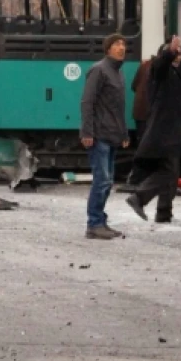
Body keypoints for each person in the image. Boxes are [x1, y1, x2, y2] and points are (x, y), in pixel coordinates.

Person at [123, 36, 181, 223]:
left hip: (173, 130)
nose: (178, 57)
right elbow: (161, 64)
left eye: (180, 54)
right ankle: (139, 197)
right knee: (169, 172)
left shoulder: (178, 74)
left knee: (170, 171)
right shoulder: (158, 71)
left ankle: (163, 212)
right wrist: (170, 52)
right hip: (163, 132)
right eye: (175, 54)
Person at [80, 34, 130, 240]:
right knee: (101, 180)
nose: (122, 48)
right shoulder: (99, 70)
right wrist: (87, 131)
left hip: (112, 134)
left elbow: (118, 108)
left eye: (123, 44)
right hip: (99, 134)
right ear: (108, 49)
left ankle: (100, 220)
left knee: (108, 181)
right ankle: (93, 223)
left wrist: (124, 133)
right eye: (117, 44)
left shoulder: (119, 74)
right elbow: (87, 101)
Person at [131, 54, 154, 145]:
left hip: (139, 110)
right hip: (150, 112)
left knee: (141, 139)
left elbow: (134, 86)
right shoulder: (163, 67)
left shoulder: (144, 65)